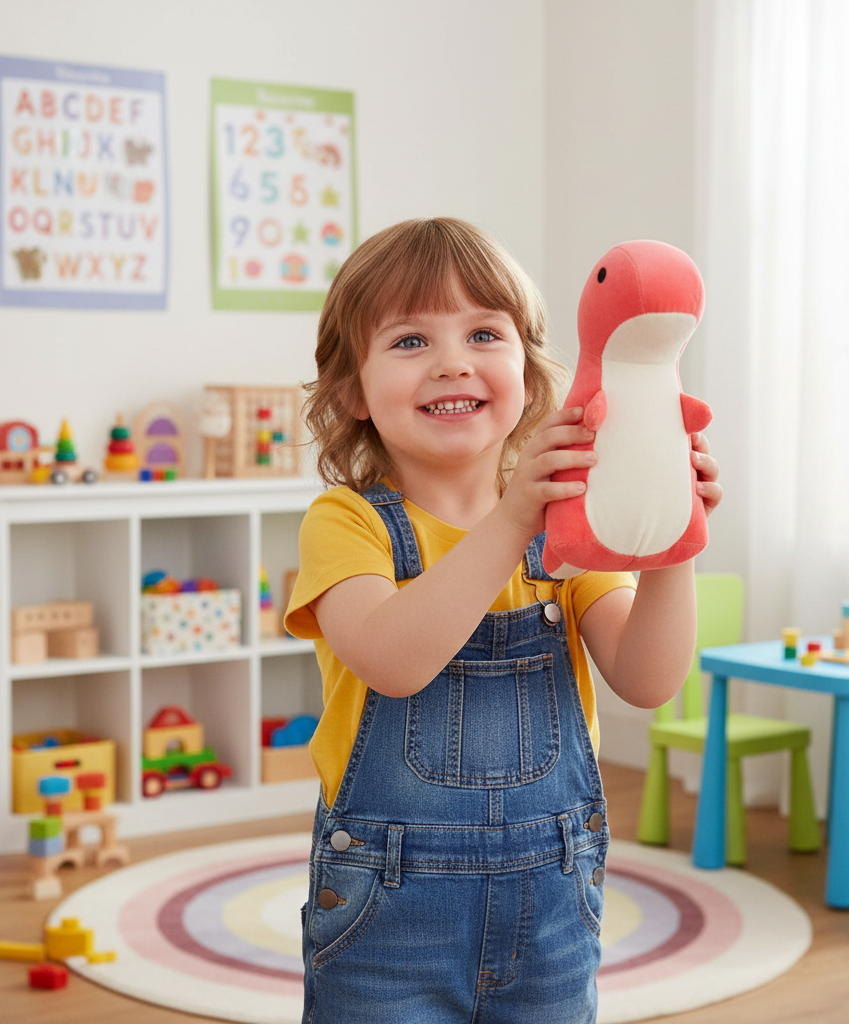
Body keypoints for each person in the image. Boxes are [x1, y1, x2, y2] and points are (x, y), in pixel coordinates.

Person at [284, 217, 721, 1024]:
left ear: (528, 369)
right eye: (410, 341)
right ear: (351, 390)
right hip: (387, 922)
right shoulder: (346, 524)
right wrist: (515, 518)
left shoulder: (567, 526)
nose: (454, 360)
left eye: (484, 332)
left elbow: (649, 679)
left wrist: (673, 536)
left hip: (551, 911)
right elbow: (395, 659)